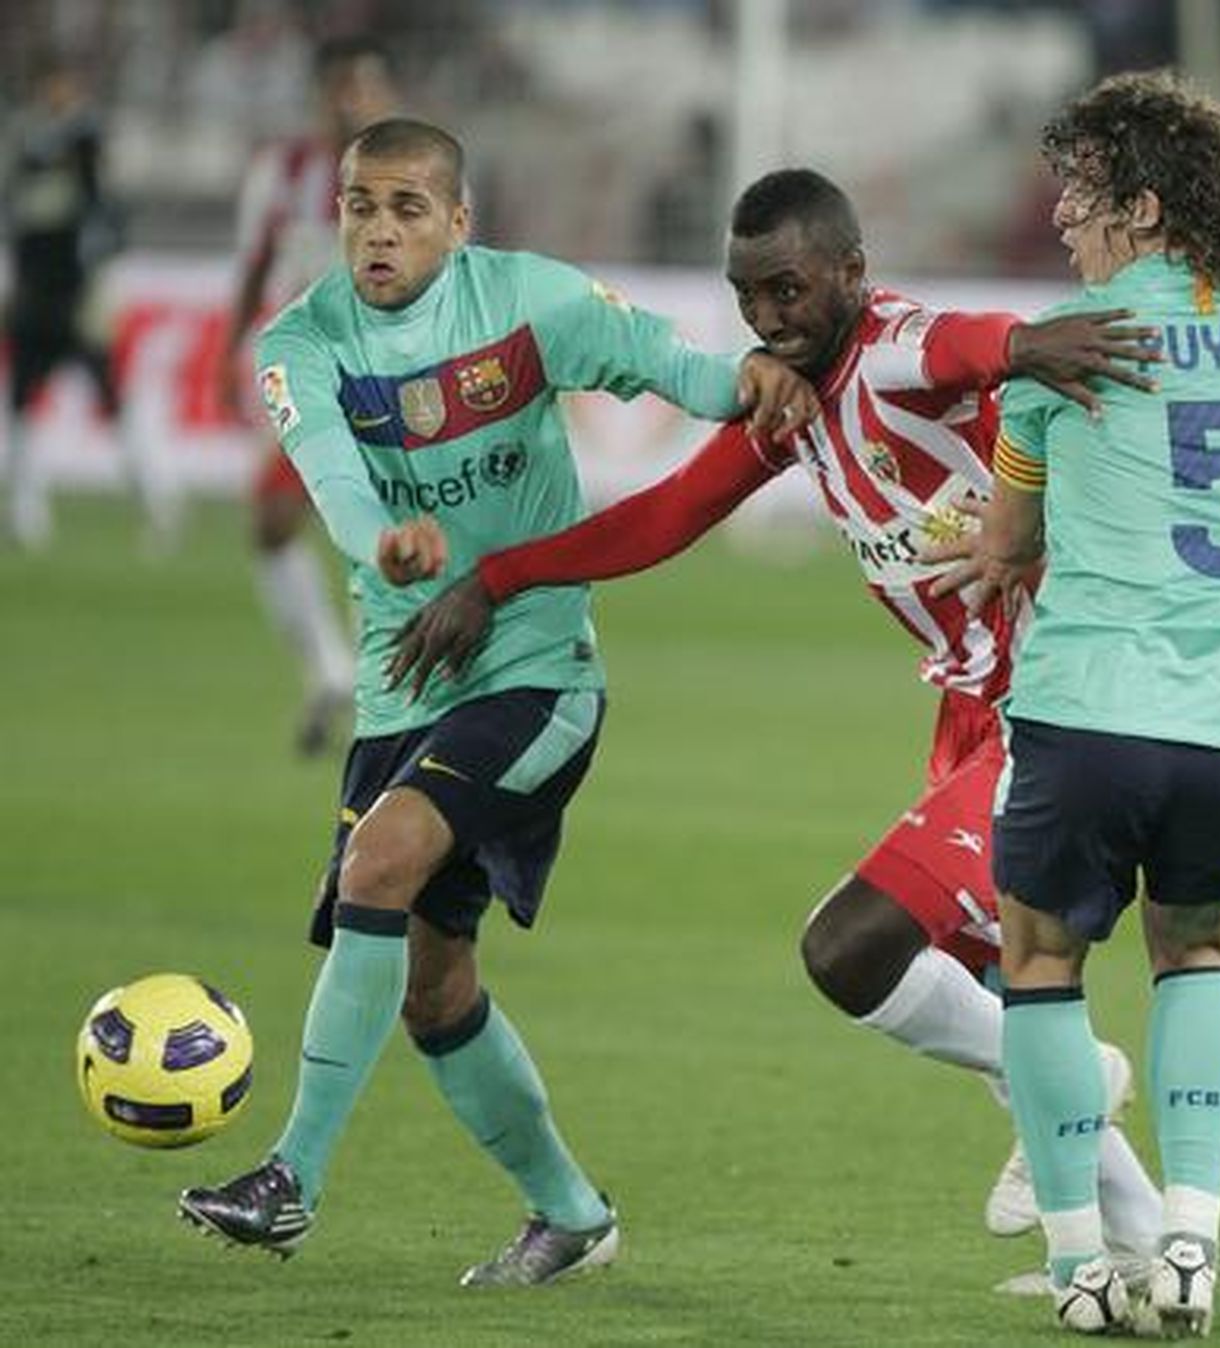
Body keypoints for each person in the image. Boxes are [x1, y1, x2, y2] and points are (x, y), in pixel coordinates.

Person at [382, 167, 1168, 1272]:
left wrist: (1032, 344)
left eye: (789, 290)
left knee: (853, 950)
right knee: (1000, 991)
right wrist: (501, 576)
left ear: (850, 272)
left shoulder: (889, 349)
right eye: (747, 296)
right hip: (974, 703)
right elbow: (664, 516)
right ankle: (1142, 1245)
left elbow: (965, 342)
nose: (767, 318)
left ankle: (1074, 1077)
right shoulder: (795, 405)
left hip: (1053, 709)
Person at [177, 118, 816, 1286]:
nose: (378, 229)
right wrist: (390, 545)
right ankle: (570, 1214)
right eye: (361, 205)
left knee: (378, 863)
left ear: (459, 221)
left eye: (407, 207)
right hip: (401, 685)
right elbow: (330, 478)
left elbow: (668, 367)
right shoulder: (299, 341)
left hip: (537, 675)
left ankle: (290, 1179)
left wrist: (747, 378)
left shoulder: (526, 302)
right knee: (433, 990)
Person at [926, 71, 1220, 1336]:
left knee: (1041, 962)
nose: (1060, 215)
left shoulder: (1065, 344)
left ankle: (1076, 1266)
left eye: (1081, 191)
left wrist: (994, 533)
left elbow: (1005, 541)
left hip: (1089, 705)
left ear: (1147, 207)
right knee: (1198, 952)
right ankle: (1190, 1241)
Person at [214, 35, 398, 754]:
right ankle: (331, 667)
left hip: (396, 379)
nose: (359, 100)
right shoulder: (284, 172)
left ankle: (377, 684)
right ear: (324, 93)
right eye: (347, 86)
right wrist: (228, 352)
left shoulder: (421, 169)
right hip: (317, 381)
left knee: (381, 535)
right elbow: (256, 265)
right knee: (272, 519)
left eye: (371, 86)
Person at [3, 56, 178, 552]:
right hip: (36, 295)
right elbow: (21, 228)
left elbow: (107, 225)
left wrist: (102, 289)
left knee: (111, 398)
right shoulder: (28, 149)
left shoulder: (86, 145)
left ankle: (155, 498)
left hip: (76, 296)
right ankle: (26, 513)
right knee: (19, 404)